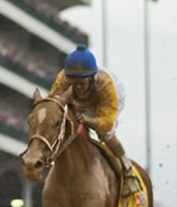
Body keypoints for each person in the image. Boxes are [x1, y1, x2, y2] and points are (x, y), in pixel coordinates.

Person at [49, 44, 139, 198]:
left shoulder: (106, 85)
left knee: (106, 134)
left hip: (103, 99)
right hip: (83, 98)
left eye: (81, 83)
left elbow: (107, 122)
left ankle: (127, 171)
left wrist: (88, 120)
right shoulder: (63, 79)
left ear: (91, 79)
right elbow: (53, 104)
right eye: (73, 83)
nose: (77, 87)